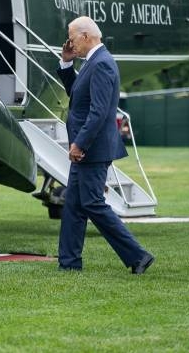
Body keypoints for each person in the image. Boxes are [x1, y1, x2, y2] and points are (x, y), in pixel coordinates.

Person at [56, 16, 154, 274]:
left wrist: (79, 143)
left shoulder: (102, 64)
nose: (70, 42)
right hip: (87, 149)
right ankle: (69, 264)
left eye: (73, 37)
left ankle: (138, 255)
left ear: (86, 36)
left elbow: (99, 113)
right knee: (75, 206)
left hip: (92, 149)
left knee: (92, 203)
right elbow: (76, 95)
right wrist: (66, 62)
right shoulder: (92, 63)